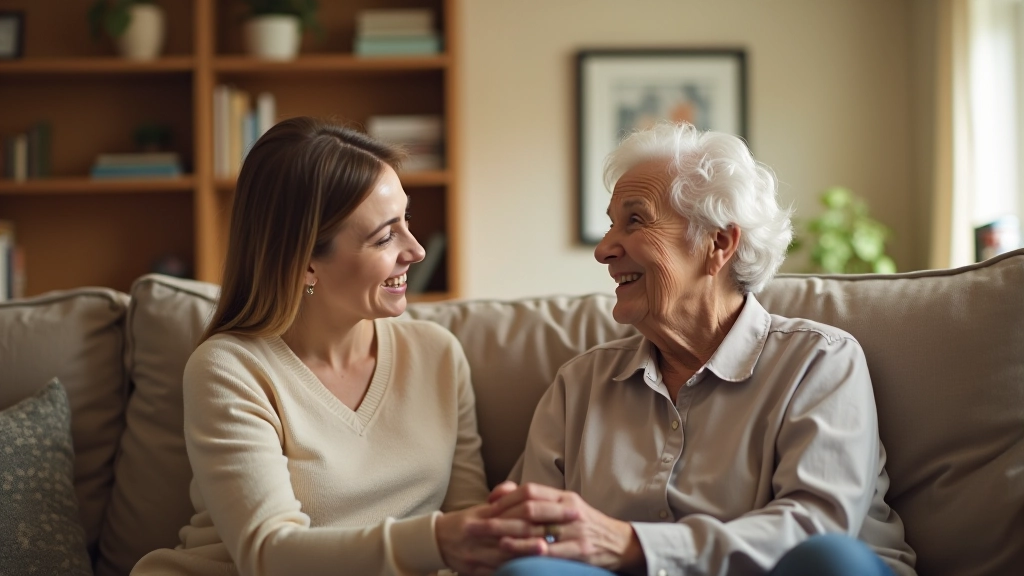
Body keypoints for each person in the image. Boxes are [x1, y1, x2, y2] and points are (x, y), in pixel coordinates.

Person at [479, 122, 917, 576]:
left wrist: (634, 545)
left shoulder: (820, 361)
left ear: (719, 243)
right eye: (611, 225)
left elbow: (818, 527)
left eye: (635, 220)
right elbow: (529, 533)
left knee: (830, 560)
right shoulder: (580, 385)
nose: (605, 249)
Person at [131, 117, 548, 576]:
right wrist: (438, 541)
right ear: (307, 263)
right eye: (385, 236)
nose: (416, 251)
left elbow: (464, 527)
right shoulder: (230, 369)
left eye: (406, 220)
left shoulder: (438, 355)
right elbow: (268, 553)